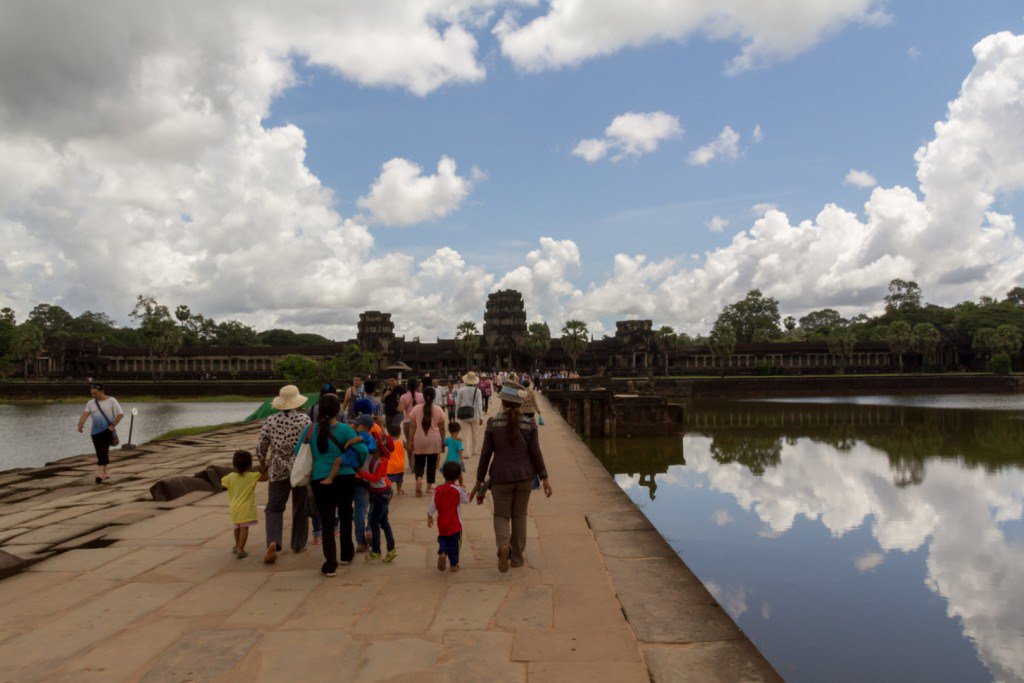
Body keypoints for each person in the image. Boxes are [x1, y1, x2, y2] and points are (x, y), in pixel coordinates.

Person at [475, 384, 553, 573]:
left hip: (500, 477)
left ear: (502, 402)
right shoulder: (530, 423)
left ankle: (503, 545)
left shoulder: (493, 423)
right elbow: (536, 453)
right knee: (519, 515)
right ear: (519, 404)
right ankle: (517, 557)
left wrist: (479, 480)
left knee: (501, 515)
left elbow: (486, 454)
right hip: (525, 476)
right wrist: (545, 478)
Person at [297, 393, 368, 576]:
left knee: (327, 522)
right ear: (338, 410)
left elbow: (299, 451)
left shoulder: (311, 429)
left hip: (321, 479)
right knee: (345, 515)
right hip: (345, 477)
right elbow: (362, 450)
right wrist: (352, 462)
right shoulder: (345, 430)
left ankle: (330, 563)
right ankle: (346, 553)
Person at [256, 384, 312, 564]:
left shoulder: (270, 420)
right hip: (299, 469)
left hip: (277, 469)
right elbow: (311, 444)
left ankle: (274, 541)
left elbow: (261, 448)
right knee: (300, 507)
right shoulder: (305, 421)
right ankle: (298, 543)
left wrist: (263, 464)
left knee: (274, 507)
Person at [221, 450, 268, 559]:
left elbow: (223, 484)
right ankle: (241, 550)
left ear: (234, 464)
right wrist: (265, 469)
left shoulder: (229, 477)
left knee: (237, 527)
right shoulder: (252, 476)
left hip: (234, 508)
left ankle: (237, 545)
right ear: (249, 464)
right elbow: (265, 478)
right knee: (244, 528)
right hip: (246, 508)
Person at [357, 435, 397, 563]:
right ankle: (390, 549)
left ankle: (377, 551)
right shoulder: (373, 456)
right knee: (383, 521)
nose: (374, 442)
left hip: (383, 494)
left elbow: (375, 477)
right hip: (378, 493)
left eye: (377, 442)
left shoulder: (383, 461)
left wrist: (361, 472)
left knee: (375, 522)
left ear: (380, 447)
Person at [77, 383, 124, 485]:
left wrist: (112, 426)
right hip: (95, 432)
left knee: (102, 451)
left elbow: (120, 414)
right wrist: (80, 424)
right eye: (92, 393)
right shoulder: (90, 403)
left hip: (107, 431)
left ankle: (99, 474)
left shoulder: (112, 401)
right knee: (101, 451)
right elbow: (85, 414)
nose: (93, 395)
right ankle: (106, 472)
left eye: (95, 393)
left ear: (102, 391)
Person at [428, 461, 470, 572]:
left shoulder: (438, 490)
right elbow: (467, 499)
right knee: (455, 545)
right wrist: (467, 489)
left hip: (442, 524)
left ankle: (442, 553)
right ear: (458, 476)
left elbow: (432, 505)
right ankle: (453, 564)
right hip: (455, 524)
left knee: (443, 539)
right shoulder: (458, 489)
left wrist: (429, 516)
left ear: (443, 474)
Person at [408, 385, 446, 497]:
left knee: (419, 463)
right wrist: (443, 441)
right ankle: (429, 487)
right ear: (434, 397)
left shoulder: (416, 409)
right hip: (434, 439)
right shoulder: (439, 410)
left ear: (423, 397)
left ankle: (419, 479)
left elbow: (412, 427)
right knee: (432, 463)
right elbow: (442, 428)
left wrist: (410, 441)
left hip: (419, 438)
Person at [454, 371, 484, 459]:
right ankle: (475, 450)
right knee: (475, 433)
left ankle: (466, 453)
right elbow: (479, 405)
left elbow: (458, 403)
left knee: (465, 434)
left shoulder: (461, 390)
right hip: (474, 414)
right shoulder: (477, 391)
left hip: (464, 415)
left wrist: (457, 414)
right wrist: (481, 416)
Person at [398, 378, 424, 443]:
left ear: (408, 386)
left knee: (409, 443)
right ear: (417, 386)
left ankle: (410, 453)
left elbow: (401, 410)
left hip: (407, 422)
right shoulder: (422, 396)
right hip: (419, 422)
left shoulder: (403, 397)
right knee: (418, 443)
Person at [385, 422, 407, 495]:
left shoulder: (387, 442)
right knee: (399, 480)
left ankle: (389, 491)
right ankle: (399, 490)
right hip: (400, 466)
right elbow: (409, 448)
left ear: (389, 433)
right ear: (399, 433)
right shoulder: (402, 442)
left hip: (390, 466)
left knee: (388, 480)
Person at [444, 421, 465, 486]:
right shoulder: (459, 441)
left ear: (450, 431)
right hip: (456, 460)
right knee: (459, 474)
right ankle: (461, 485)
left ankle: (446, 485)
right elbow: (460, 450)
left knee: (447, 473)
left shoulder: (448, 440)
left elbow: (443, 444)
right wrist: (461, 460)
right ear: (458, 431)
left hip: (448, 460)